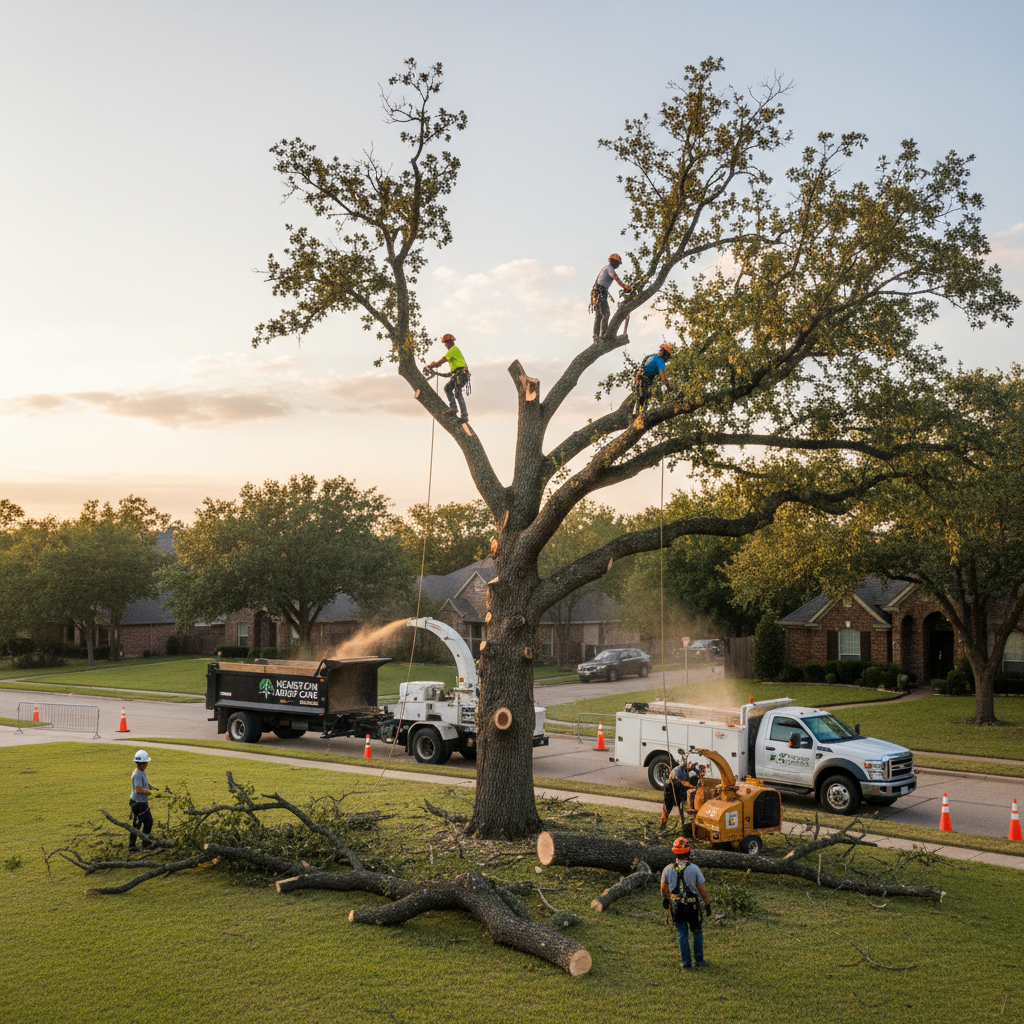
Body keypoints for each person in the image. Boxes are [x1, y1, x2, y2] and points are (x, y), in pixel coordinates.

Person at [661, 836, 712, 969]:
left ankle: (686, 963)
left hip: (677, 906)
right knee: (696, 931)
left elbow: (663, 888)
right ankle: (699, 961)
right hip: (692, 906)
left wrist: (665, 899)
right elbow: (702, 889)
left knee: (682, 933)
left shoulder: (668, 869)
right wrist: (707, 903)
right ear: (688, 852)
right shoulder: (694, 869)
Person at [425, 333, 471, 423]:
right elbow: (441, 362)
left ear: (450, 342)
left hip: (461, 374)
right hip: (458, 374)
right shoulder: (453, 351)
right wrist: (433, 365)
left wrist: (431, 365)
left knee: (458, 393)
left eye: (446, 343)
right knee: (447, 388)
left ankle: (464, 416)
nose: (445, 345)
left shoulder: (453, 350)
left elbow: (442, 360)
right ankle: (453, 408)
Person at [590, 254, 632, 343]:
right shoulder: (609, 268)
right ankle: (602, 335)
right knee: (605, 314)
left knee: (600, 315)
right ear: (612, 261)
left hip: (600, 292)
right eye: (617, 263)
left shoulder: (607, 268)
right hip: (599, 292)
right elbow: (614, 276)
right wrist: (624, 286)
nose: (618, 266)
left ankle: (597, 336)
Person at [633, 342, 673, 413]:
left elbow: (642, 366)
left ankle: (637, 412)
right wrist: (670, 388)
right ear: (665, 354)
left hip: (641, 377)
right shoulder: (660, 362)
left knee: (641, 396)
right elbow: (663, 378)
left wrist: (637, 378)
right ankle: (641, 412)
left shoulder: (652, 356)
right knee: (646, 395)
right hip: (645, 379)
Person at [660, 756, 701, 826]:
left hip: (680, 791)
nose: (692, 766)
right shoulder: (677, 770)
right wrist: (694, 787)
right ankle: (662, 826)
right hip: (671, 791)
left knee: (683, 808)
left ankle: (684, 823)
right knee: (666, 810)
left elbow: (698, 776)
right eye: (691, 764)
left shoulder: (691, 770)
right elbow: (682, 782)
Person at [129, 749, 156, 851]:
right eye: (146, 763)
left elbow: (145, 785)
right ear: (141, 763)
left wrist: (153, 790)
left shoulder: (141, 772)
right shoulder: (137, 774)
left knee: (148, 822)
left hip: (142, 802)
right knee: (137, 825)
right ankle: (132, 846)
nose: (147, 765)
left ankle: (145, 842)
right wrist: (151, 793)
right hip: (138, 803)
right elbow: (138, 789)